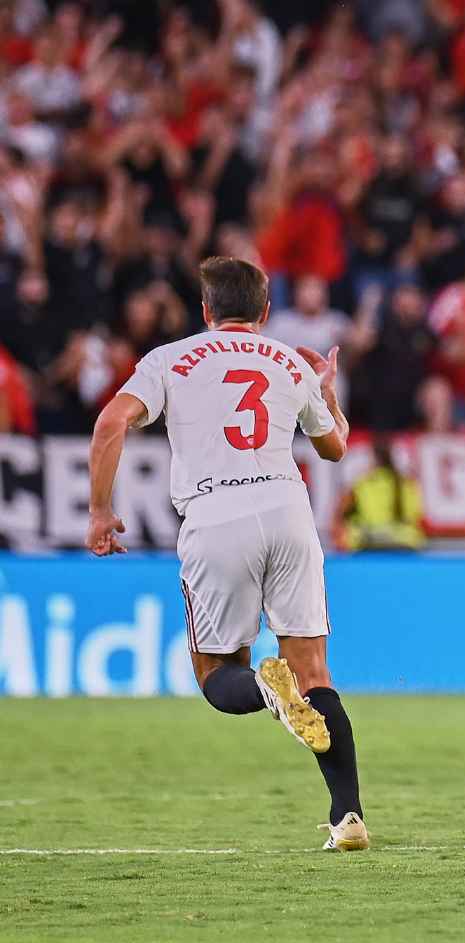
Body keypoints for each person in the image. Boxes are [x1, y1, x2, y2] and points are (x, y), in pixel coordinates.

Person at [85, 256, 368, 852]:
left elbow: (111, 422)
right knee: (315, 674)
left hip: (216, 516)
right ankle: (349, 817)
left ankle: (269, 693)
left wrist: (100, 511)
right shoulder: (289, 360)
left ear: (206, 311)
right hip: (290, 511)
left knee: (218, 674)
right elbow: (336, 448)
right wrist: (328, 393)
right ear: (265, 313)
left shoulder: (168, 360)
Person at [339, 438, 425, 551]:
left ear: (374, 459)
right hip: (402, 538)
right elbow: (416, 514)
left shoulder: (362, 482)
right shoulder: (407, 483)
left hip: (369, 537)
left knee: (351, 534)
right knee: (414, 535)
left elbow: (343, 512)